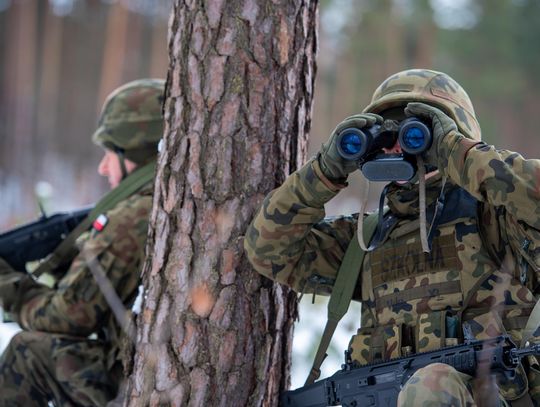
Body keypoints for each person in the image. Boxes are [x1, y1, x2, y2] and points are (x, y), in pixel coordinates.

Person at [244, 68, 540, 405]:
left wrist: (455, 152)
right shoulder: (367, 238)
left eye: (415, 134)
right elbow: (268, 249)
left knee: (432, 384)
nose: (397, 146)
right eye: (386, 134)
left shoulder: (500, 220)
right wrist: (325, 170)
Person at [0, 78, 165, 406]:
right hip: (152, 372)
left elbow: (69, 316)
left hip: (135, 386)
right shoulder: (159, 203)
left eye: (112, 153)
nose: (104, 167)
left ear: (140, 152)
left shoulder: (133, 216)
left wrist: (11, 289)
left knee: (26, 352)